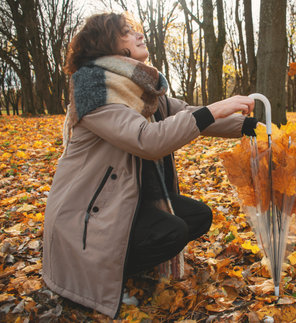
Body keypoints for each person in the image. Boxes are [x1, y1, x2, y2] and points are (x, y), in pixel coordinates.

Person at [42, 12, 257, 318]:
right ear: (108, 45)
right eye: (127, 32)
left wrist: (249, 126)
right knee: (172, 231)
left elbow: (189, 114)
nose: (139, 35)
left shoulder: (140, 90)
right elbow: (147, 140)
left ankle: (123, 265)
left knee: (198, 217)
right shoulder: (95, 92)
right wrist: (215, 108)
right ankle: (101, 278)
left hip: (123, 202)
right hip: (86, 218)